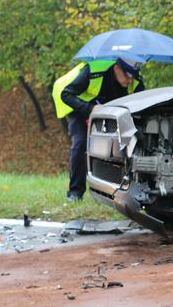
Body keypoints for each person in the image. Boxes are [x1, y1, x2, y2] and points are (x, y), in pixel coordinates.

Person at [52, 57, 145, 201]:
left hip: (109, 112)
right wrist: (89, 109)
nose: (130, 80)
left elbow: (142, 106)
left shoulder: (136, 80)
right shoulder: (94, 70)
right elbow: (66, 94)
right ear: (116, 68)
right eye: (128, 75)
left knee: (119, 145)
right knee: (81, 143)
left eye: (133, 75)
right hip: (79, 108)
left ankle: (114, 190)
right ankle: (75, 192)